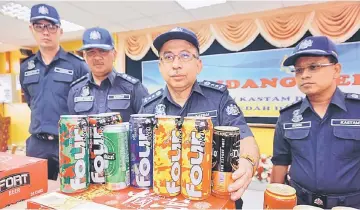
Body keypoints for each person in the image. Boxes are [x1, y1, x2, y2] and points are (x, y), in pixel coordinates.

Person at [139, 27, 260, 209]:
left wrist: (247, 163)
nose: (176, 64)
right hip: (165, 202)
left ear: (199, 65)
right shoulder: (148, 107)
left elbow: (244, 137)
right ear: (160, 66)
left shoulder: (218, 99)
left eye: (185, 56)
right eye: (168, 57)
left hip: (215, 200)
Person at [271, 36, 360, 209]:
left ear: (336, 70)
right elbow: (280, 163)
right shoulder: (288, 116)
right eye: (298, 70)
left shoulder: (357, 110)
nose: (304, 75)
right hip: (301, 203)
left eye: (313, 67)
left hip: (350, 205)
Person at [19, 4, 89, 180]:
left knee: (74, 191)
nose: (45, 32)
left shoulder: (77, 65)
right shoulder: (26, 67)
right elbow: (31, 101)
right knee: (37, 192)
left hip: (70, 141)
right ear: (31, 29)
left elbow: (86, 103)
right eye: (39, 26)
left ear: (60, 31)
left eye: (51, 26)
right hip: (37, 144)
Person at [67, 27, 149, 121]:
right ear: (85, 56)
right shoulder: (76, 90)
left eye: (102, 51)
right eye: (91, 52)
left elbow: (148, 126)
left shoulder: (133, 88)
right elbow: (72, 128)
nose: (97, 57)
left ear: (114, 54)